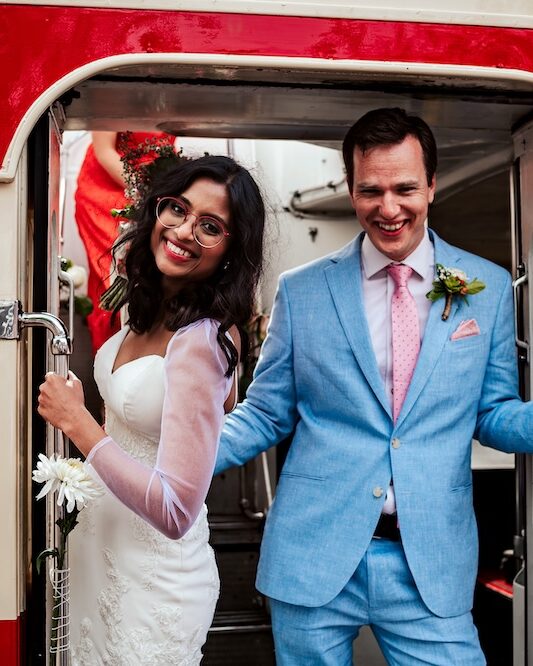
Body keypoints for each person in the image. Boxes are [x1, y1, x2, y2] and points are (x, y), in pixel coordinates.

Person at [215, 108, 533, 665]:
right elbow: (265, 414)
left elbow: (494, 414)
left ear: (431, 185)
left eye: (405, 188)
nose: (388, 208)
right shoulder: (303, 291)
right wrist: (175, 458)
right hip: (312, 555)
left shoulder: (488, 290)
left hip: (429, 562)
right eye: (371, 191)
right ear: (352, 188)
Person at [38, 155, 266, 664]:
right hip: (101, 555)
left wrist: (78, 422)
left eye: (210, 226)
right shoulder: (143, 307)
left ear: (230, 251)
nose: (185, 231)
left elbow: (175, 510)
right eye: (177, 210)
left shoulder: (203, 341)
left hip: (153, 581)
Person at [74, 130, 175, 355]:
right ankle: (110, 359)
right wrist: (151, 191)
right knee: (113, 277)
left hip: (159, 190)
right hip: (108, 190)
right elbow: (104, 152)